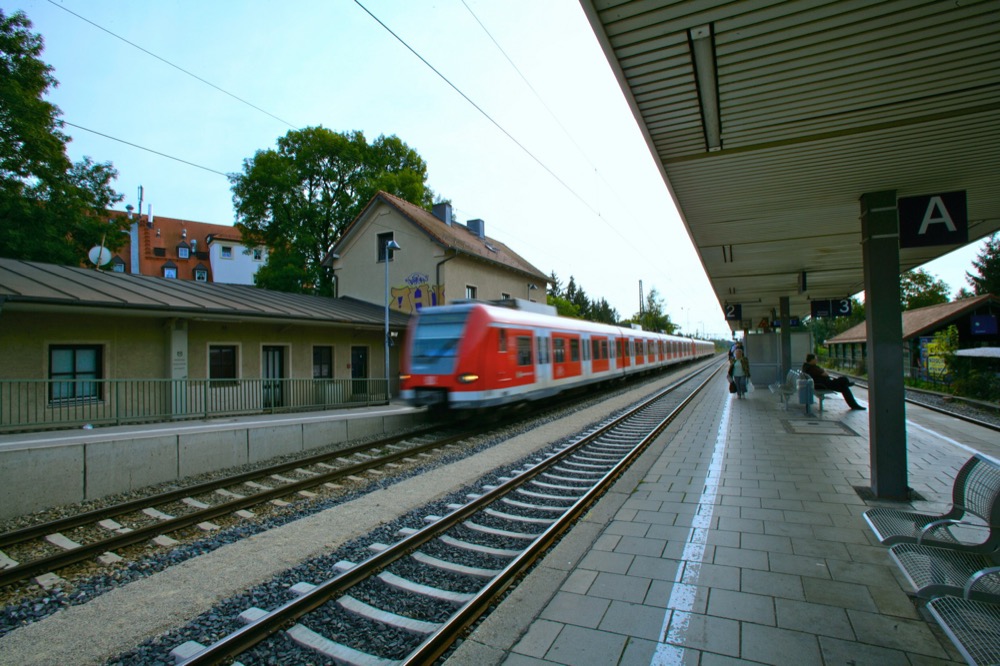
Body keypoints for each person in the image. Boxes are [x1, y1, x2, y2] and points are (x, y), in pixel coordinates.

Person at [801, 353, 865, 410]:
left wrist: (823, 371)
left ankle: (854, 405)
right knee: (843, 379)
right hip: (824, 384)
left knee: (844, 387)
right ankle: (854, 403)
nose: (816, 360)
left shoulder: (807, 367)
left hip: (821, 384)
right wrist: (823, 371)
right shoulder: (812, 368)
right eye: (815, 359)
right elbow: (825, 374)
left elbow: (823, 373)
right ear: (812, 360)